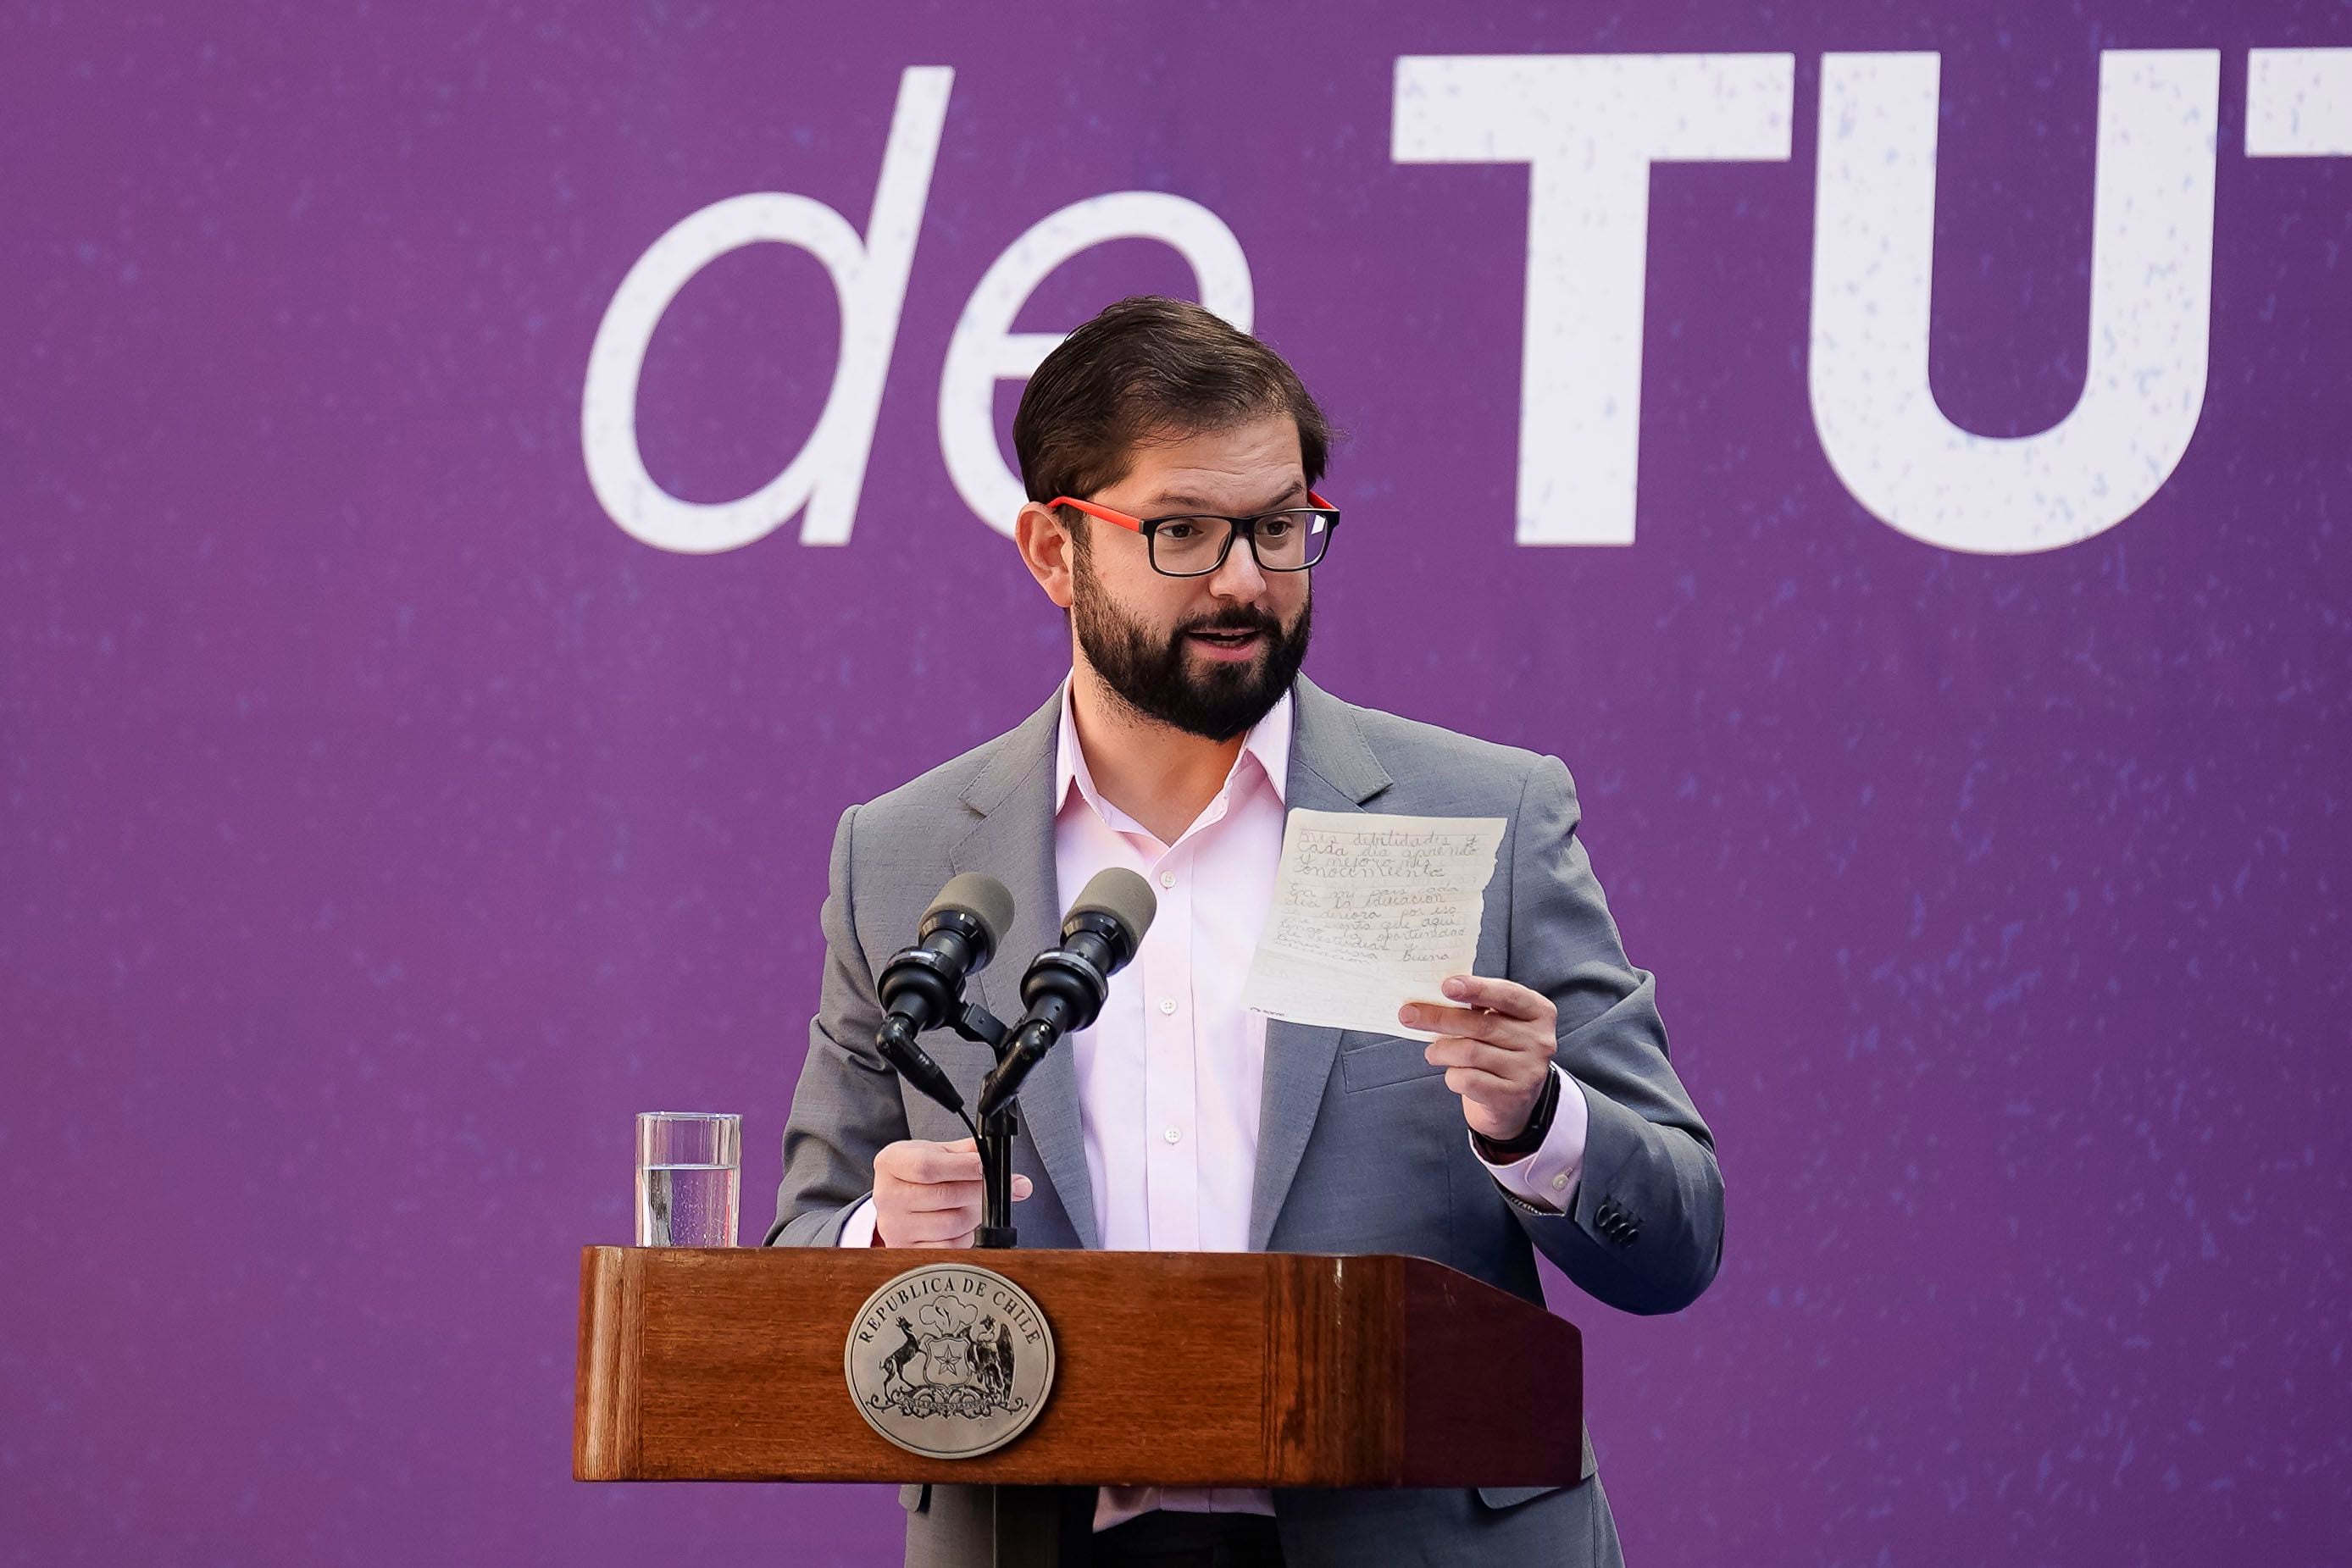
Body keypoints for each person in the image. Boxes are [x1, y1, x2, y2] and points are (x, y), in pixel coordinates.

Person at [768, 296, 1723, 1567]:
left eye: (1280, 528)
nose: (1242, 581)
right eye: (1180, 532)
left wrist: (1538, 1125)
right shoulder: (904, 857)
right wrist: (884, 1240)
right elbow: (800, 1250)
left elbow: (1676, 1241)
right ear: (1054, 552)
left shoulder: (1481, 812)